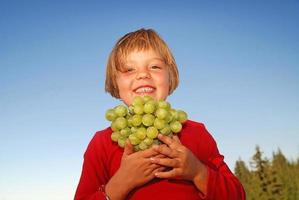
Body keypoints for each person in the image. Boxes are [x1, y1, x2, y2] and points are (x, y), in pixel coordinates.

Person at [74, 28, 246, 200]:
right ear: (115, 84)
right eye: (129, 70)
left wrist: (197, 172)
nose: (143, 74)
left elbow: (237, 195)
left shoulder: (196, 132)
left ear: (170, 78)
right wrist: (121, 183)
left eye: (155, 66)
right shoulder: (102, 143)